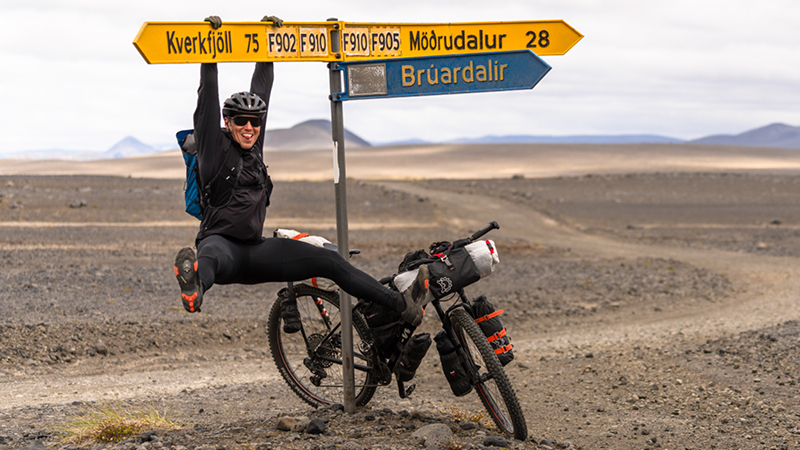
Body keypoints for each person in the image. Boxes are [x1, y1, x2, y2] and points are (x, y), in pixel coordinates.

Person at [174, 15, 429, 329]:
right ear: (227, 122)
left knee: (331, 262)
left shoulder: (254, 149)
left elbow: (262, 89)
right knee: (209, 257)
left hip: (256, 250)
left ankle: (402, 306)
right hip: (222, 247)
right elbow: (207, 99)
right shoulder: (213, 148)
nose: (249, 127)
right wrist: (209, 55)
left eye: (255, 121)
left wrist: (267, 48)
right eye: (241, 121)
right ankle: (195, 287)